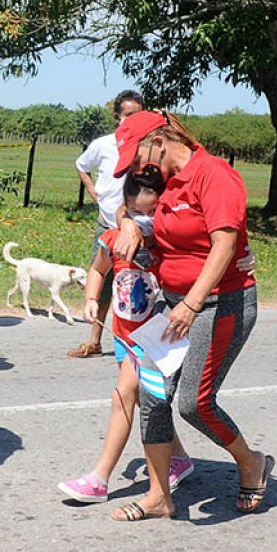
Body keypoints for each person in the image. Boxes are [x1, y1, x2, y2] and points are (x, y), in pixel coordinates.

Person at [110, 110, 270, 520]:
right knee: (152, 391)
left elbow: (224, 245)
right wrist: (128, 224)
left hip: (219, 303)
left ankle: (250, 461)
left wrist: (192, 302)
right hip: (174, 301)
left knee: (194, 404)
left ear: (159, 142)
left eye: (140, 158)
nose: (140, 169)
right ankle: (160, 496)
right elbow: (129, 205)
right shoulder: (166, 179)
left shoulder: (214, 175)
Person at [58, 175, 194, 503]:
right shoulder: (115, 239)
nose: (144, 223)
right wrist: (91, 299)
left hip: (155, 339)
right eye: (137, 215)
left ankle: (99, 478)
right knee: (147, 399)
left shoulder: (169, 244)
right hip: (122, 335)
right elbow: (98, 269)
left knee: (123, 397)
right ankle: (179, 458)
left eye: (152, 215)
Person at [67, 90, 144, 358]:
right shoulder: (104, 144)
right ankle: (95, 338)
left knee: (137, 282)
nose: (133, 120)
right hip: (108, 222)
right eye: (128, 115)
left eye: (139, 115)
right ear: (117, 117)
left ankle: (141, 339)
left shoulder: (147, 147)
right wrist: (91, 188)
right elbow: (81, 164)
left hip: (137, 226)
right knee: (100, 277)